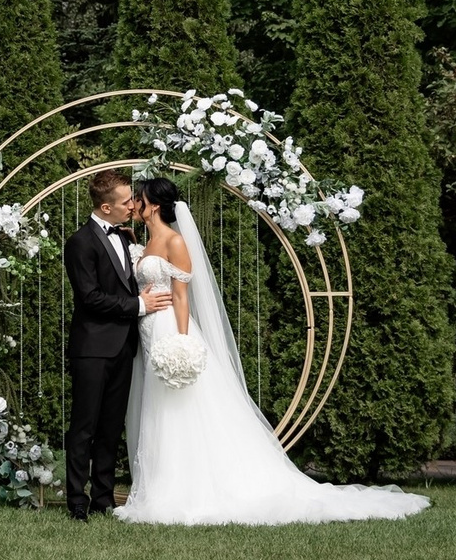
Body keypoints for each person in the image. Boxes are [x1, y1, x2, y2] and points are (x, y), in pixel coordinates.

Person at [114, 175, 430, 526]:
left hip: (171, 331)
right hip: (148, 332)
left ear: (153, 204)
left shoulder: (174, 241)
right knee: (156, 410)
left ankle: (188, 491)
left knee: (178, 410)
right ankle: (160, 485)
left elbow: (181, 296)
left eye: (138, 199)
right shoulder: (144, 241)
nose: (134, 205)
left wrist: (183, 342)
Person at [60, 168, 174, 520]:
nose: (132, 206)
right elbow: (90, 297)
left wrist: (135, 295)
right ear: (105, 208)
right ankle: (77, 500)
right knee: (84, 426)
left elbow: (123, 281)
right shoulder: (79, 243)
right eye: (126, 202)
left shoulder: (125, 236)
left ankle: (104, 497)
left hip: (124, 347)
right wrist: (139, 305)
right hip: (92, 349)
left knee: (111, 426)